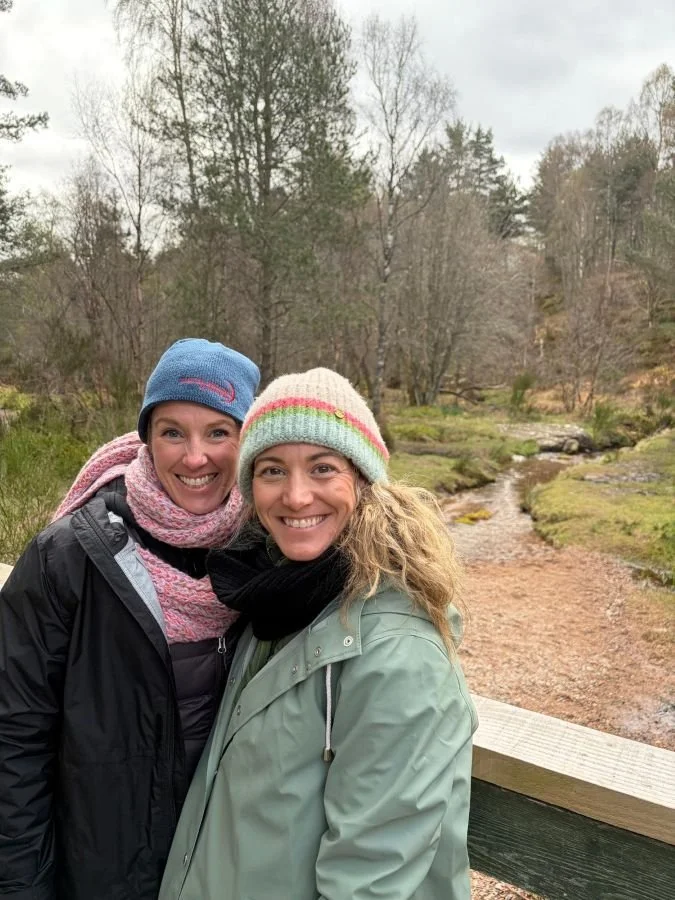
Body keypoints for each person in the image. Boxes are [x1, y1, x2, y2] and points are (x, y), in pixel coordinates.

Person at [160, 367, 478, 900]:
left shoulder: (398, 652)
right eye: (272, 470)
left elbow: (370, 881)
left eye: (322, 467)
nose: (297, 496)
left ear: (362, 479)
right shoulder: (274, 603)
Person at [0, 338, 260, 900]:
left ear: (248, 441)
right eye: (172, 432)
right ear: (146, 439)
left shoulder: (273, 556)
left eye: (219, 432)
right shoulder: (67, 558)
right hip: (98, 873)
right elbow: (14, 741)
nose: (196, 457)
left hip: (221, 870)